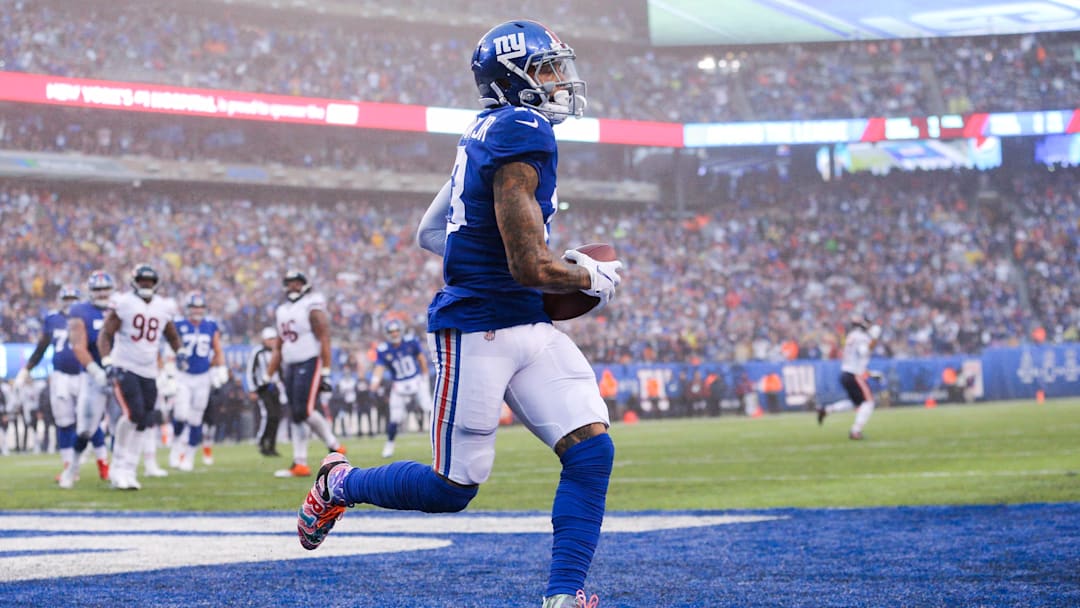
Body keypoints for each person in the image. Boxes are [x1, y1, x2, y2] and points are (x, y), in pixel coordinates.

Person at [295, 20, 622, 608]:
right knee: (453, 488)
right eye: (547, 68)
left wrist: (495, 257)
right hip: (477, 328)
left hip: (526, 324)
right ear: (514, 77)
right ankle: (338, 482)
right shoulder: (522, 129)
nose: (560, 80)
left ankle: (564, 595)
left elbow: (429, 232)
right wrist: (585, 276)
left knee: (591, 449)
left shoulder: (486, 128)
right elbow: (529, 267)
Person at [98, 263, 183, 490]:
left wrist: (180, 352)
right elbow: (105, 334)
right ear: (135, 282)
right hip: (125, 365)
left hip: (149, 370)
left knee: (145, 419)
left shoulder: (163, 307)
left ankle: (130, 470)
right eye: (143, 280)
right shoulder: (124, 303)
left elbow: (172, 334)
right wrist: (107, 361)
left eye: (150, 281)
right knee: (133, 414)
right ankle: (118, 468)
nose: (146, 285)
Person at [268, 269, 346, 478]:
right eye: (290, 283)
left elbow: (324, 337)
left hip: (309, 361)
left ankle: (334, 445)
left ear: (304, 285)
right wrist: (270, 374)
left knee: (304, 410)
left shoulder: (311, 305)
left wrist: (326, 371)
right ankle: (300, 463)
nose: (293, 286)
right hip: (291, 365)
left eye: (297, 283)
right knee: (296, 414)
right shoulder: (282, 310)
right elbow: (278, 345)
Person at [14, 286, 83, 483]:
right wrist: (27, 369)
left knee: (89, 422)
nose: (70, 302)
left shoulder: (86, 315)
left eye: (73, 298)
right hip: (61, 376)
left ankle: (103, 463)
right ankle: (70, 467)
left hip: (84, 374)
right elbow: (42, 347)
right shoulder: (53, 319)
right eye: (67, 298)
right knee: (64, 421)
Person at [64, 270, 117, 487]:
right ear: (90, 291)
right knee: (85, 428)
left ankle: (120, 469)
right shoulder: (80, 311)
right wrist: (96, 370)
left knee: (120, 426)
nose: (102, 293)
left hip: (119, 375)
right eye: (98, 289)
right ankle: (72, 469)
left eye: (105, 289)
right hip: (93, 376)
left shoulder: (120, 308)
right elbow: (78, 345)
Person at [168, 291, 228, 471]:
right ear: (188, 308)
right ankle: (176, 446)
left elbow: (217, 349)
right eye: (194, 307)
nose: (197, 310)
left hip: (203, 376)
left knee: (195, 419)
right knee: (180, 414)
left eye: (200, 307)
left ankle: (189, 456)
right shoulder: (178, 324)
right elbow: (169, 347)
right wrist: (167, 371)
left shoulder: (210, 325)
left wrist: (220, 367)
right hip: (183, 375)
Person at [369, 319, 432, 458]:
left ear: (401, 331)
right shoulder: (384, 349)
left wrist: (425, 377)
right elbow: (379, 368)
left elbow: (421, 359)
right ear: (387, 334)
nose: (394, 334)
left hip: (416, 380)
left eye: (396, 330)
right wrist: (374, 384)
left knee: (430, 409)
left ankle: (442, 440)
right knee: (395, 418)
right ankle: (389, 445)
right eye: (391, 332)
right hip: (399, 385)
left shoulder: (410, 341)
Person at [816, 314, 881, 439]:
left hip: (846, 373)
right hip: (854, 375)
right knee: (869, 403)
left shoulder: (851, 336)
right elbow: (864, 352)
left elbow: (856, 360)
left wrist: (871, 374)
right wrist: (875, 339)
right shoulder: (862, 337)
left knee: (856, 402)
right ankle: (855, 431)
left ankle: (826, 410)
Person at [246, 326, 285, 457]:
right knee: (268, 415)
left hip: (275, 387)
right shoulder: (257, 352)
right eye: (270, 339)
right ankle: (262, 442)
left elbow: (281, 371)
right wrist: (252, 389)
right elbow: (250, 371)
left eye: (274, 339)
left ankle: (272, 445)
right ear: (264, 340)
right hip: (263, 388)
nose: (272, 341)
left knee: (276, 417)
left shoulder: (278, 351)